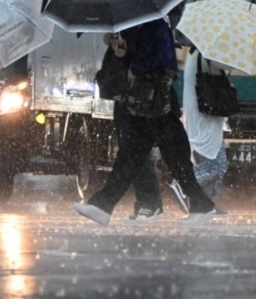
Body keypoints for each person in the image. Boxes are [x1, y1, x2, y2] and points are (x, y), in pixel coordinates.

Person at [74, 18, 217, 226]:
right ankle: (103, 205)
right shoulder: (139, 25)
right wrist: (120, 51)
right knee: (142, 156)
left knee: (146, 157)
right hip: (147, 106)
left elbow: (164, 59)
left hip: (155, 102)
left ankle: (104, 204)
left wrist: (136, 66)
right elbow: (132, 63)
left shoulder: (156, 25)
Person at [101, 33, 165, 221]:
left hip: (135, 103)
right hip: (124, 103)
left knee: (137, 154)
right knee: (134, 153)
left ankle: (150, 204)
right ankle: (146, 203)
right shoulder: (122, 42)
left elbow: (142, 68)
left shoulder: (140, 36)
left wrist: (124, 51)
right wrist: (115, 47)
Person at [180, 48, 228, 202]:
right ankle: (183, 186)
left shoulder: (197, 57)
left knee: (211, 164)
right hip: (205, 120)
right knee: (217, 166)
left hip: (205, 119)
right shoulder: (206, 57)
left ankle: (205, 204)